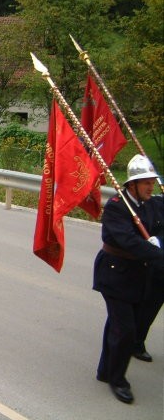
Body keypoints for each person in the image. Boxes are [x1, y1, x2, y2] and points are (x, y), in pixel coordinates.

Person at [93, 154, 163, 404]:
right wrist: (156, 252)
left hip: (137, 275)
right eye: (146, 182)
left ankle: (104, 370)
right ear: (132, 184)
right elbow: (128, 241)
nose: (150, 186)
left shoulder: (150, 203)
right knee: (126, 329)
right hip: (114, 273)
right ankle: (118, 379)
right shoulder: (117, 206)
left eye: (152, 182)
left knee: (117, 323)